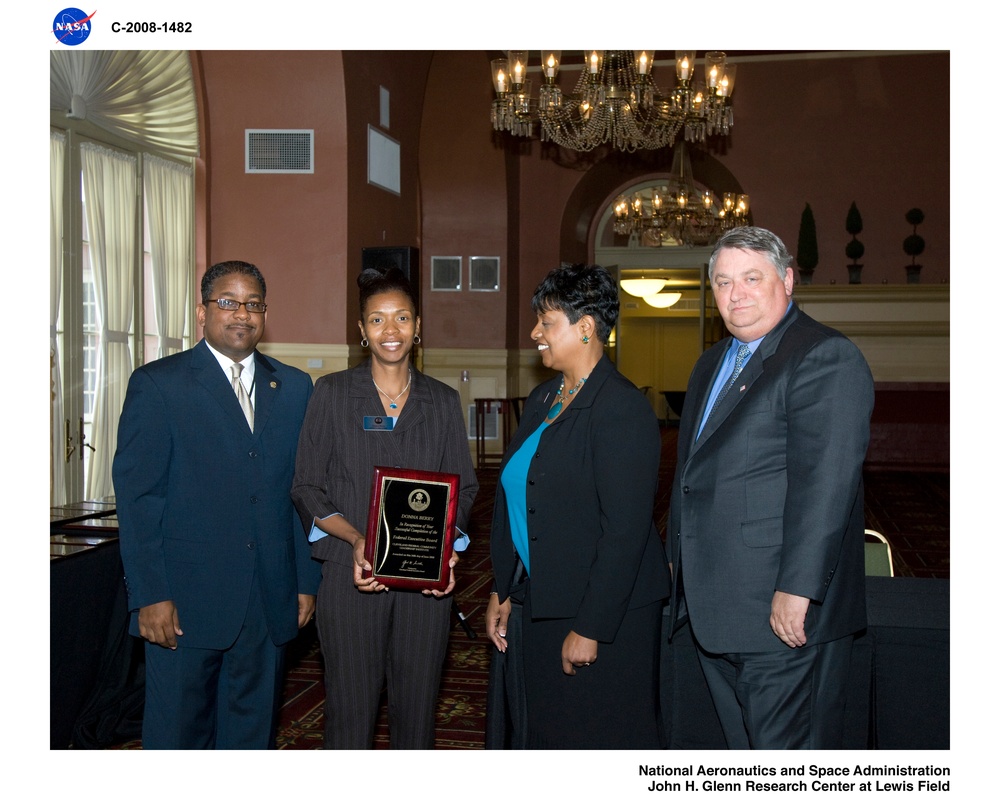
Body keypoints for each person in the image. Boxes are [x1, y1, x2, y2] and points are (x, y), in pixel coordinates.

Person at [666, 226, 874, 749]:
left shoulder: (824, 356)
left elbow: (825, 485)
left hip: (780, 613)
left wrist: (798, 588)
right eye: (722, 281)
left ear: (787, 279)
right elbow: (692, 475)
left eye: (751, 278)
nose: (735, 294)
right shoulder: (711, 362)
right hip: (715, 608)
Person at [112, 260, 319, 749]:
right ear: (202, 312)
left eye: (253, 304)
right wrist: (149, 594)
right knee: (178, 736)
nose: (241, 314)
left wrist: (304, 582)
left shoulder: (293, 388)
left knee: (250, 737)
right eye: (227, 302)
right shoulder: (159, 384)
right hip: (182, 602)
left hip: (267, 598)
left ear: (265, 313)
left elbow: (302, 491)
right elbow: (139, 499)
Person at [290, 266, 478, 749]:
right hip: (350, 579)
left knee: (417, 719)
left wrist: (444, 550)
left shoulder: (443, 401)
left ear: (418, 327)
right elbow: (307, 487)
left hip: (424, 588)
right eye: (377, 320)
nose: (389, 331)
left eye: (401, 318)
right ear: (360, 330)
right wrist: (356, 540)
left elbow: (466, 488)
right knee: (349, 717)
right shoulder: (331, 394)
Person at [485, 263, 670, 749]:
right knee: (544, 735)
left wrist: (591, 627)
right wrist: (504, 587)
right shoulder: (547, 395)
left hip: (605, 613)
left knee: (594, 742)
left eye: (546, 322)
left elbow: (625, 533)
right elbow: (519, 499)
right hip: (542, 598)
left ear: (585, 327)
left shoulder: (622, 409)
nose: (534, 333)